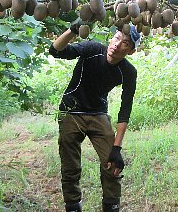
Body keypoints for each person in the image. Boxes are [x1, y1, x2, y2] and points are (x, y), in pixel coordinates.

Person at [49, 22, 140, 212]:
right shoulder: (92, 49)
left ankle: (111, 205)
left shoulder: (128, 71)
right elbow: (56, 51)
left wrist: (117, 147)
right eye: (116, 38)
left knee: (112, 164)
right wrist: (73, 30)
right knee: (70, 166)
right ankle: (73, 205)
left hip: (98, 112)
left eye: (124, 43)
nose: (117, 44)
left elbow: (125, 110)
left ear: (131, 51)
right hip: (71, 110)